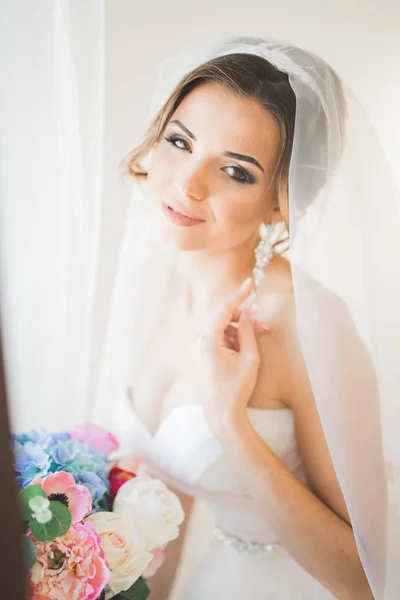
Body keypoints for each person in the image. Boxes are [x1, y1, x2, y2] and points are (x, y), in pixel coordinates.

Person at [96, 37, 400, 599]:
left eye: (236, 172)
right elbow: (167, 509)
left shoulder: (307, 326)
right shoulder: (154, 281)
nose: (188, 184)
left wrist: (230, 424)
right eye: (180, 142)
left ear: (280, 200)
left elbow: (368, 577)